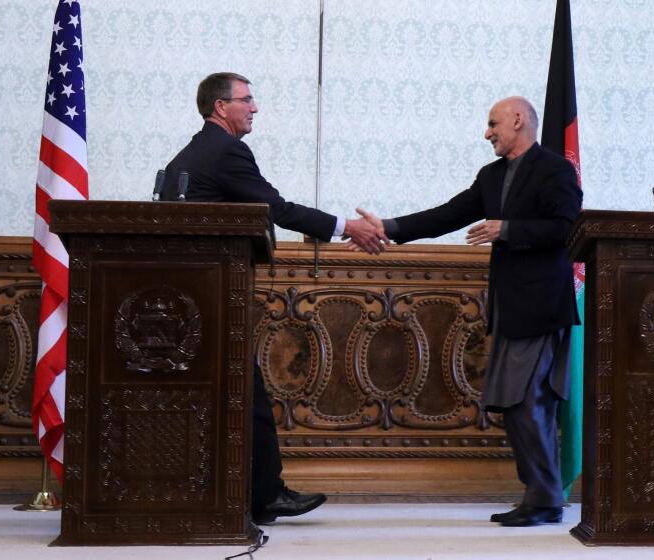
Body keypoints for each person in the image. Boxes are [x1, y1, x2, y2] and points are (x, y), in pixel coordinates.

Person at [161, 72, 387, 524]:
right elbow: (275, 208)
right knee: (249, 395)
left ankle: (255, 493)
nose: (255, 107)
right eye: (246, 99)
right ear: (221, 107)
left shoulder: (192, 152)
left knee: (245, 393)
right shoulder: (225, 150)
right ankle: (265, 494)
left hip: (195, 297)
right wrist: (348, 226)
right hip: (212, 298)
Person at [354, 96, 582, 527]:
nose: (487, 132)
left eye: (493, 123)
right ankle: (542, 495)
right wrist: (389, 228)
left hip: (542, 307)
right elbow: (448, 214)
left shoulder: (554, 169)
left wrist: (508, 229)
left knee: (527, 401)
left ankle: (546, 498)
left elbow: (568, 227)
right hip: (510, 309)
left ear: (518, 120)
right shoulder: (492, 176)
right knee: (515, 403)